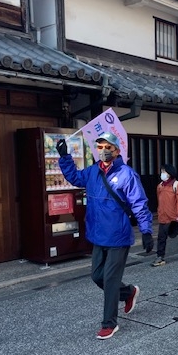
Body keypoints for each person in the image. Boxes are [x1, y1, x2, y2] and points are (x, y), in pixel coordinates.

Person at [57, 132, 153, 340]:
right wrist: (65, 157)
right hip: (97, 234)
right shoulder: (92, 172)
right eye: (100, 147)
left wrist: (146, 231)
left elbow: (139, 203)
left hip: (118, 236)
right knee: (97, 276)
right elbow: (74, 177)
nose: (104, 151)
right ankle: (128, 293)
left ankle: (109, 323)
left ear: (117, 151)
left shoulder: (127, 174)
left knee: (109, 280)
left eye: (108, 147)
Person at [151, 164, 178, 266]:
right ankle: (160, 256)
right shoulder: (160, 186)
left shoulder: (176, 185)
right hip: (164, 216)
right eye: (162, 171)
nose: (162, 174)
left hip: (175, 217)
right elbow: (160, 201)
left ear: (170, 173)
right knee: (161, 237)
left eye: (164, 172)